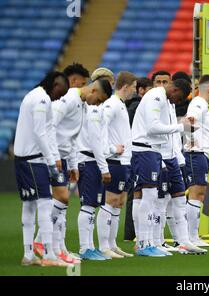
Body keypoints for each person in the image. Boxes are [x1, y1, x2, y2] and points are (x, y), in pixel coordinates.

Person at [131, 79, 206, 256]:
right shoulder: (156, 96)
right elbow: (152, 128)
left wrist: (183, 125)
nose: (178, 102)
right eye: (179, 98)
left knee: (177, 197)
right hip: (146, 149)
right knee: (151, 197)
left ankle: (182, 241)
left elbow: (165, 127)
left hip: (160, 152)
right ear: (175, 89)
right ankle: (145, 243)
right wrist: (182, 127)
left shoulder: (166, 99)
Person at [33, 63, 90, 263]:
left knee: (62, 206)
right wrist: (53, 157)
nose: (86, 87)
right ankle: (42, 241)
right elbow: (50, 128)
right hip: (53, 159)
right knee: (61, 200)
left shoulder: (79, 103)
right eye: (83, 83)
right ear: (73, 81)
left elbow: (72, 138)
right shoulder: (65, 100)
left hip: (64, 159)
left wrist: (73, 164)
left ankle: (59, 248)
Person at [14, 71, 70, 266]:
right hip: (34, 159)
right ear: (55, 85)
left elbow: (44, 130)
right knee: (45, 204)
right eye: (61, 92)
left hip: (22, 158)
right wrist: (50, 160)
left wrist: (52, 157)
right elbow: (40, 132)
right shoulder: (42, 100)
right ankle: (49, 255)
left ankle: (28, 255)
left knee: (28, 205)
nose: (60, 97)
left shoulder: (32, 95)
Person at [96, 71, 137, 259]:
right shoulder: (111, 104)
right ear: (126, 86)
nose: (135, 91)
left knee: (119, 203)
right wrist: (110, 148)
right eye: (134, 87)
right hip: (114, 160)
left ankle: (112, 245)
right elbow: (100, 127)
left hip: (124, 161)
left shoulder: (119, 105)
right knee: (110, 201)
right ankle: (104, 246)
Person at [76, 79, 114, 260]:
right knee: (88, 205)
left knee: (91, 205)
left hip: (90, 160)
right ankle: (85, 248)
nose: (100, 103)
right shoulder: (93, 111)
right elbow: (95, 141)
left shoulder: (91, 109)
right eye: (101, 99)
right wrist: (104, 168)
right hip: (89, 160)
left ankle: (90, 246)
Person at [184, 75, 209, 247]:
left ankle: (192, 236)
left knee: (199, 194)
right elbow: (189, 121)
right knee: (196, 193)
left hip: (201, 153)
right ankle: (190, 237)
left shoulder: (202, 104)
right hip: (195, 153)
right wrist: (191, 142)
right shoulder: (198, 103)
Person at [124, 77, 152, 241]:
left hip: (132, 152)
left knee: (135, 194)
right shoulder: (137, 107)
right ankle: (133, 233)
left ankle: (132, 234)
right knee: (136, 194)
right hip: (136, 152)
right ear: (141, 90)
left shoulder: (135, 106)